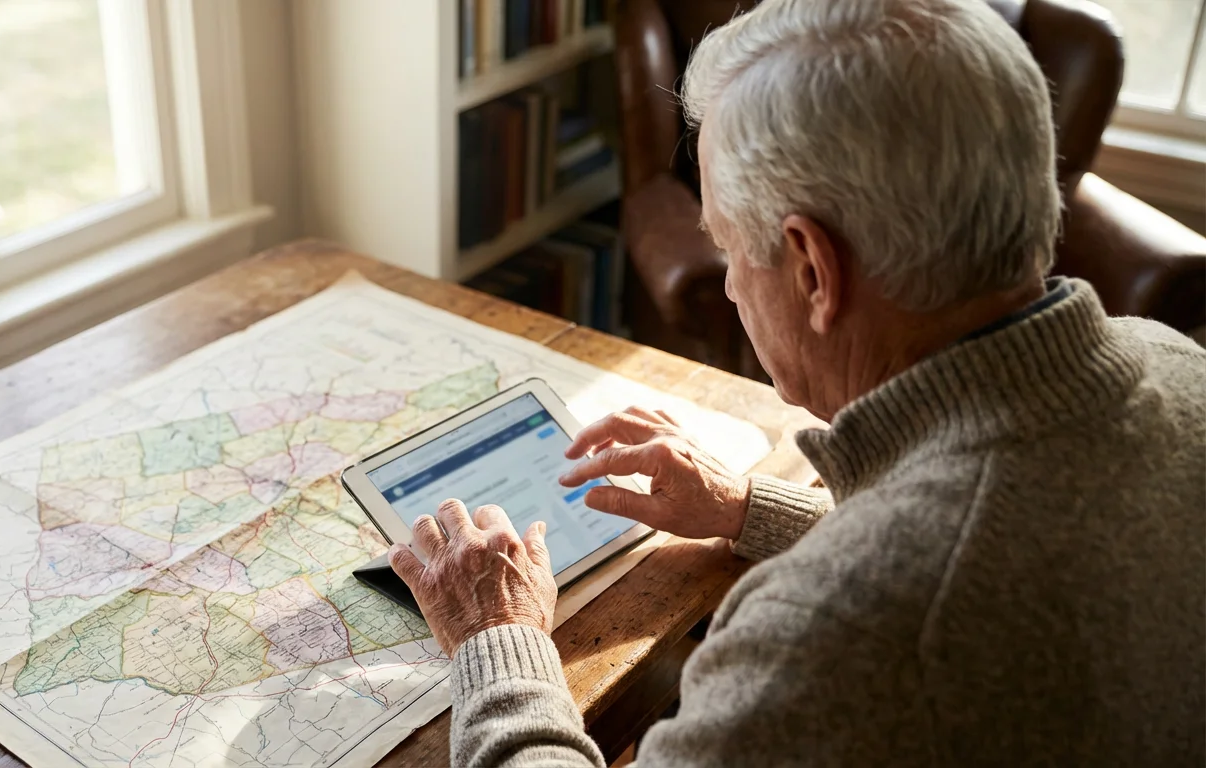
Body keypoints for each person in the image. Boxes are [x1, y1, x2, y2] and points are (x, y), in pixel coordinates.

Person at [387, 0, 1206, 763]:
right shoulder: (1176, 363)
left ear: (814, 270)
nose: (733, 287)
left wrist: (499, 640)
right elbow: (990, 542)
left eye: (730, 250)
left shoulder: (828, 637)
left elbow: (926, 578)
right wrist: (748, 509)